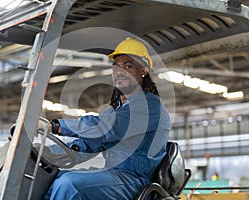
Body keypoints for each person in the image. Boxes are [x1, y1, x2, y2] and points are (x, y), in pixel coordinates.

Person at [44, 37, 171, 200]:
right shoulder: (117, 108)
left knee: (70, 184)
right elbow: (90, 142)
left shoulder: (150, 106)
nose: (120, 72)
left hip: (134, 180)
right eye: (116, 67)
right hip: (113, 175)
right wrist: (45, 152)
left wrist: (55, 126)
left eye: (128, 66)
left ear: (143, 70)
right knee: (52, 179)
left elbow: (105, 128)